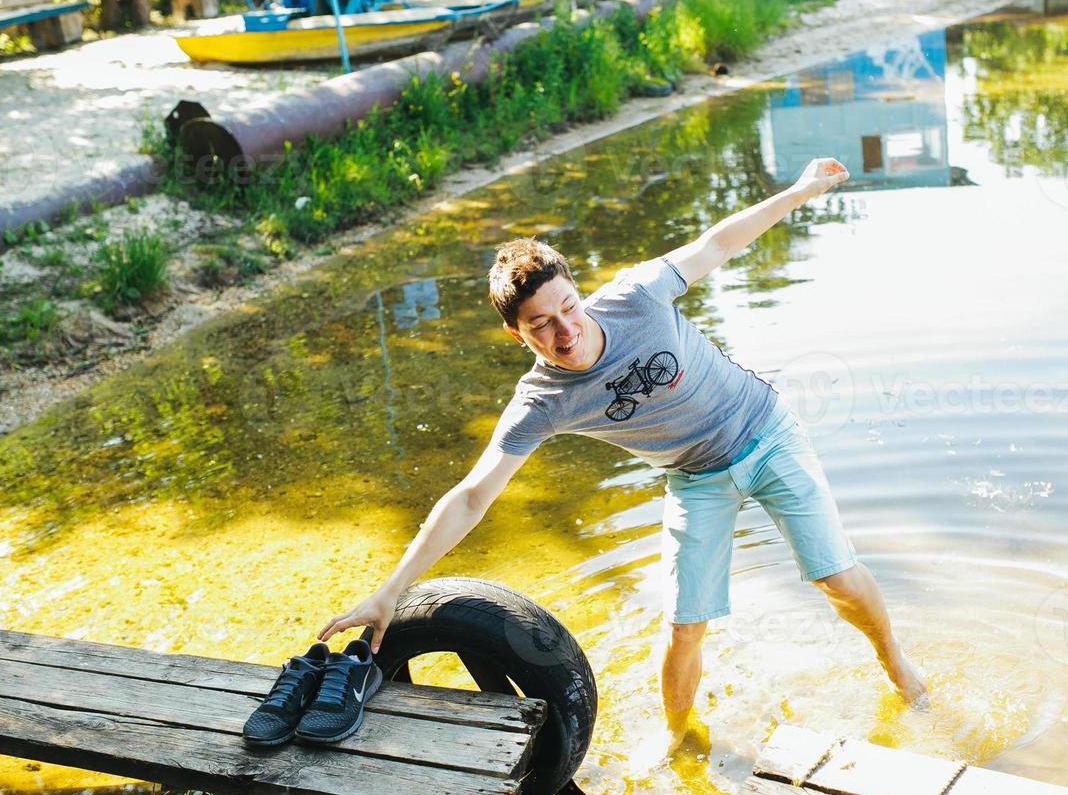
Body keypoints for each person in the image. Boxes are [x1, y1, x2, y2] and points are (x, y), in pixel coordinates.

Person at [317, 156, 928, 747]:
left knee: (836, 578)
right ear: (515, 334)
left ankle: (897, 666)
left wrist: (798, 192)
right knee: (685, 624)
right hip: (696, 477)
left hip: (766, 431)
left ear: (579, 293)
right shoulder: (542, 402)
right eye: (541, 326)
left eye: (569, 308)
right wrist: (392, 590)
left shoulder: (637, 295)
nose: (566, 332)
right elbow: (474, 495)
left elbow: (717, 244)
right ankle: (677, 741)